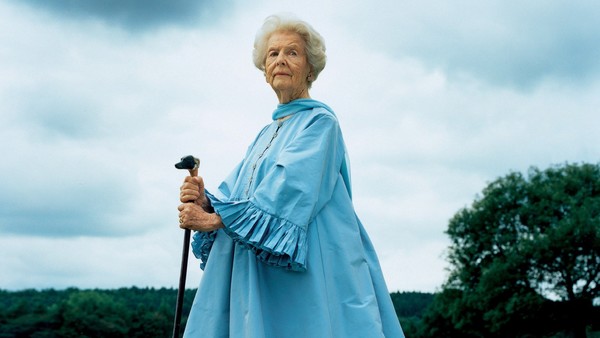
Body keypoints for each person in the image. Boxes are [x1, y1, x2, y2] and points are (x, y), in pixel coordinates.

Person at [177, 14, 405, 338]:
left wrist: (216, 220)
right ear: (264, 69)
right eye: (273, 54)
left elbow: (291, 188)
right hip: (258, 271)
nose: (280, 59)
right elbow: (237, 196)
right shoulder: (265, 134)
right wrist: (204, 202)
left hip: (306, 275)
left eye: (292, 53)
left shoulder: (321, 123)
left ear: (310, 68)